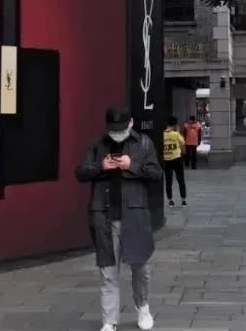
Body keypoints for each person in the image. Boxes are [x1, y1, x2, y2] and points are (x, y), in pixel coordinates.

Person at [76, 106, 163, 331]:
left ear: (130, 123)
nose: (116, 133)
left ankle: (142, 307)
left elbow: (156, 173)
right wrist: (101, 166)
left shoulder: (143, 143)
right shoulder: (98, 144)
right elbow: (81, 173)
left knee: (140, 268)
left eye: (120, 129)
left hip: (135, 216)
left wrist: (131, 166)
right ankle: (110, 321)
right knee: (108, 272)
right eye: (113, 130)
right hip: (104, 217)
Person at [162, 116, 187, 207]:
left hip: (166, 159)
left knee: (168, 181)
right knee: (181, 180)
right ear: (175, 124)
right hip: (177, 158)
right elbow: (183, 143)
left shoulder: (163, 134)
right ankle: (183, 200)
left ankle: (170, 200)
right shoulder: (176, 134)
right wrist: (179, 132)